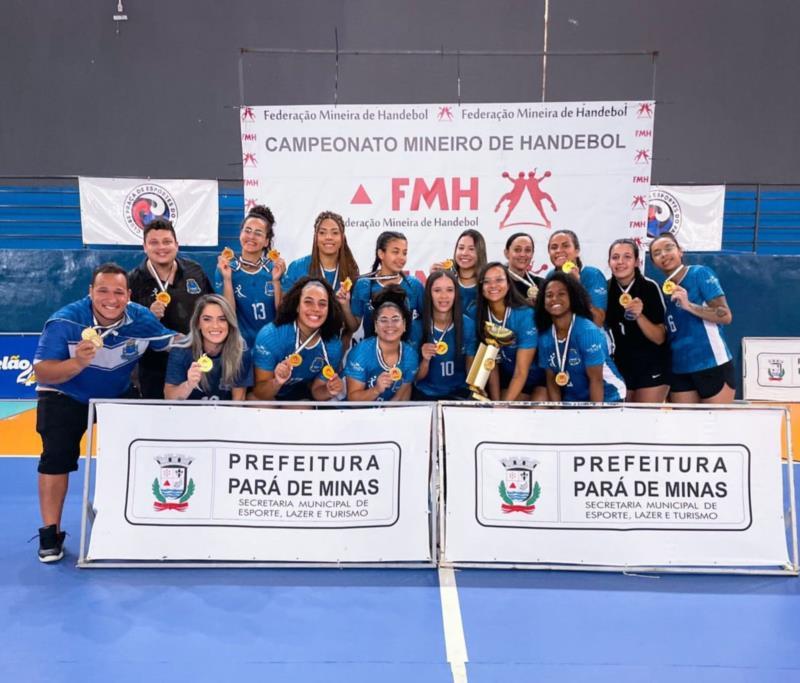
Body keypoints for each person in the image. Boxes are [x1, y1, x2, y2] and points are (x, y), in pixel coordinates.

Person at [33, 263, 177, 562]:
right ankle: (50, 532)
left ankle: (129, 520)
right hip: (65, 392)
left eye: (118, 292)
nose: (110, 299)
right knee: (56, 457)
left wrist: (215, 339)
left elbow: (172, 342)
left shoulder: (141, 319)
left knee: (136, 454)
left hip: (114, 395)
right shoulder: (65, 322)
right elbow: (42, 371)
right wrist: (77, 364)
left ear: (128, 295)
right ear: (90, 292)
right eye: (102, 291)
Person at [128, 218, 212, 398]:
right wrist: (148, 317)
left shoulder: (194, 271)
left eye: (167, 242)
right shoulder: (133, 281)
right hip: (154, 366)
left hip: (193, 361)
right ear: (144, 247)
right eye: (154, 243)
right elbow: (127, 329)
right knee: (159, 421)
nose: (161, 248)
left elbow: (211, 309)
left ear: (177, 245)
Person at [649, 233, 735, 403]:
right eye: (657, 253)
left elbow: (725, 315)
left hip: (711, 363)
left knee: (716, 425)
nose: (664, 255)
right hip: (680, 369)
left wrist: (689, 305)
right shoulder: (661, 290)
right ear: (653, 262)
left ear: (680, 251)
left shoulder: (699, 273)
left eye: (669, 248)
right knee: (685, 427)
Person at [535, 271, 626, 403]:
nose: (554, 299)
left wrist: (592, 417)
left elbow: (596, 381)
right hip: (574, 400)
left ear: (572, 297)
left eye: (561, 294)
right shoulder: (545, 337)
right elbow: (551, 381)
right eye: (549, 295)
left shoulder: (587, 331)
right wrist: (558, 411)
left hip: (608, 396)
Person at [251, 277, 345, 401]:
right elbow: (259, 394)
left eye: (322, 304)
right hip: (268, 396)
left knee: (303, 406)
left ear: (329, 309)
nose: (316, 309)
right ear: (297, 306)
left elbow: (317, 392)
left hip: (299, 397)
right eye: (308, 302)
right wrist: (277, 381)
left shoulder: (333, 345)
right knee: (258, 403)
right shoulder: (271, 335)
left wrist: (329, 390)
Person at [606, 238, 669, 403]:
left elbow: (660, 338)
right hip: (620, 367)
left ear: (636, 262)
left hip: (651, 366)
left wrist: (639, 316)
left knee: (644, 421)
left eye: (627, 257)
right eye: (615, 257)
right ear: (609, 262)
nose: (620, 262)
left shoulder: (649, 288)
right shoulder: (605, 290)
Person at [215, 205, 287, 349]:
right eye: (247, 231)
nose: (251, 237)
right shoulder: (226, 268)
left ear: (266, 241)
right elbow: (227, 314)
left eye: (258, 233)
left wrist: (276, 281)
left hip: (271, 344)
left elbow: (283, 314)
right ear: (240, 234)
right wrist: (228, 279)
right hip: (239, 346)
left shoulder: (275, 269)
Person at [164, 294, 252, 401]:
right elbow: (169, 398)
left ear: (230, 323)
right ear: (198, 323)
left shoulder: (240, 351)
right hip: (188, 415)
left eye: (222, 319)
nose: (215, 325)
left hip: (225, 414)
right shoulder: (180, 350)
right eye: (207, 319)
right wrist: (189, 384)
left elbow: (238, 400)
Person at [474, 262, 541, 401]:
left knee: (535, 410)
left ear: (509, 284)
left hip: (535, 379)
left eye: (499, 280)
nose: (493, 285)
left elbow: (521, 372)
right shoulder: (478, 314)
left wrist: (503, 406)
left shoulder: (525, 315)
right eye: (487, 281)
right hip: (506, 379)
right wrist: (497, 402)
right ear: (481, 287)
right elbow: (490, 364)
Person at [345, 286, 420, 401]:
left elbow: (401, 396)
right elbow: (353, 399)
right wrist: (376, 389)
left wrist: (388, 417)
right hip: (355, 415)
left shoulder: (411, 355)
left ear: (404, 324)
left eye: (395, 319)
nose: (390, 325)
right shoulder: (360, 353)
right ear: (375, 326)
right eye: (384, 320)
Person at [348, 231, 424, 343]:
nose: (401, 257)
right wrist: (344, 303)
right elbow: (353, 326)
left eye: (404, 253)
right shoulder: (364, 284)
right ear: (381, 254)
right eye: (395, 252)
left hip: (406, 354)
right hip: (372, 354)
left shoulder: (414, 285)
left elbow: (427, 320)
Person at [414, 270, 477, 400]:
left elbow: (471, 370)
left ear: (456, 293)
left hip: (459, 394)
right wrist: (425, 360)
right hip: (426, 394)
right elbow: (415, 378)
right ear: (429, 294)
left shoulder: (468, 325)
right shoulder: (417, 327)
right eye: (437, 290)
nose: (444, 296)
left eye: (449, 290)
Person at [547, 229, 607, 326]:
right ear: (549, 253)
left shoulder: (592, 275)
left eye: (565, 246)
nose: (559, 250)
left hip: (589, 337)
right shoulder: (550, 276)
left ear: (577, 251)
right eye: (554, 247)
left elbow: (598, 321)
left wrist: (576, 286)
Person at [430, 229, 487, 320]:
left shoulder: (487, 284)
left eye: (471, 249)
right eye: (461, 248)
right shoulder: (446, 279)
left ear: (480, 252)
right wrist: (432, 282)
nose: (464, 253)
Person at [504, 232, 545, 306]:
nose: (522, 254)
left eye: (528, 250)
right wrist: (524, 304)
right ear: (506, 253)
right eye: (517, 250)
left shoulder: (541, 284)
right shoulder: (498, 284)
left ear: (532, 254)